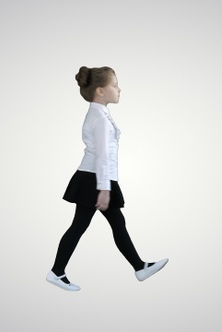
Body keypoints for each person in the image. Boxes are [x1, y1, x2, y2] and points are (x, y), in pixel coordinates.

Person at [46, 66, 168, 291]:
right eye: (114, 85)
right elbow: (102, 155)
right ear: (100, 91)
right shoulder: (99, 118)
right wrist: (103, 189)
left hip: (94, 177)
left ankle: (138, 267)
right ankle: (57, 272)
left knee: (98, 224)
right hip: (95, 179)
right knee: (88, 226)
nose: (119, 89)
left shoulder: (99, 113)